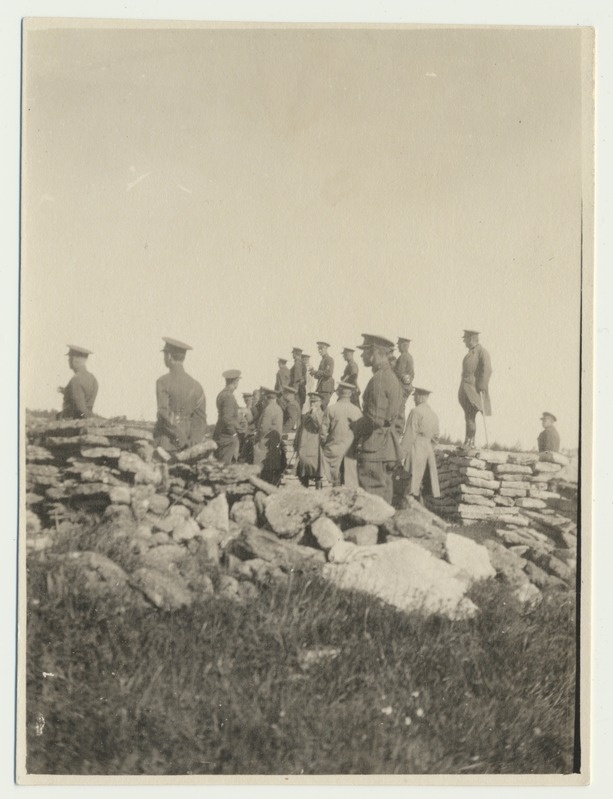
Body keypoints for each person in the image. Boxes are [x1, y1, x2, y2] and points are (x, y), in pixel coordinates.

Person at [352, 334, 403, 504]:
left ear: (374, 352)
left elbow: (376, 419)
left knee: (372, 507)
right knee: (383, 504)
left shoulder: (379, 380)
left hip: (374, 449)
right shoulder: (391, 378)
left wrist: (355, 427)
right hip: (386, 449)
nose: (362, 355)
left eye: (365, 351)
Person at [153, 338, 207, 453]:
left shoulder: (162, 381)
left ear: (169, 357)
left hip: (166, 442)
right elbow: (200, 419)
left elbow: (163, 414)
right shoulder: (197, 386)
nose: (164, 358)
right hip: (190, 444)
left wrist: (180, 438)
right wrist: (194, 440)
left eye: (165, 355)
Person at [400, 387, 441, 503]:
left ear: (420, 397)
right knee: (422, 483)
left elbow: (409, 434)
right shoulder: (434, 415)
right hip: (428, 450)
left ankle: (409, 509)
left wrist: (402, 454)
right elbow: (436, 437)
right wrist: (428, 447)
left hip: (415, 447)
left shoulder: (415, 411)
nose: (414, 399)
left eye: (415, 396)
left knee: (410, 482)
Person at [320, 381, 363, 486]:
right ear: (350, 394)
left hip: (333, 451)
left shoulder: (331, 409)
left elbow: (323, 432)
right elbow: (361, 434)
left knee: (333, 482)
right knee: (350, 483)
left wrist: (325, 443)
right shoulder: (357, 411)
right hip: (350, 452)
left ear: (338, 393)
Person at [457, 329, 492, 449]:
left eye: (465, 339)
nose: (464, 342)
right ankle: (468, 441)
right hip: (466, 387)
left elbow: (487, 370)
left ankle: (470, 442)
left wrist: (482, 385)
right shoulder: (471, 352)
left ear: (471, 339)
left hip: (474, 389)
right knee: (468, 415)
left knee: (470, 415)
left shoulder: (482, 352)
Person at [253, 387, 285, 484]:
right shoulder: (278, 409)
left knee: (262, 473)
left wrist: (256, 438)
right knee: (272, 471)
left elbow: (264, 428)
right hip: (274, 444)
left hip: (265, 445)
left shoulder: (268, 409)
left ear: (267, 398)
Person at [58, 345, 99, 419]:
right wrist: (66, 391)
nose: (68, 360)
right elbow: (85, 399)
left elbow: (81, 409)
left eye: (69, 358)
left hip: (73, 423)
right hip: (84, 420)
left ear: (74, 359)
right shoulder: (93, 379)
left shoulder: (76, 380)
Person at [295, 391, 325, 487]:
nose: (312, 404)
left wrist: (315, 413)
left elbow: (319, 426)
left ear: (320, 403)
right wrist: (296, 443)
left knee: (317, 474)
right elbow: (300, 429)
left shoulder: (322, 414)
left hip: (315, 449)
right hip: (304, 448)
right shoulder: (307, 414)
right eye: (311, 401)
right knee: (303, 474)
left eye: (315, 401)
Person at [213, 369, 242, 464]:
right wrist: (234, 433)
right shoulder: (229, 396)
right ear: (236, 381)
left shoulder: (222, 394)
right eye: (238, 381)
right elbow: (227, 418)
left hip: (221, 434)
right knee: (225, 467)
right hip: (227, 437)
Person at [394, 336, 415, 433]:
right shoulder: (409, 356)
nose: (398, 347)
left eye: (399, 344)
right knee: (401, 407)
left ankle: (398, 430)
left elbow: (398, 372)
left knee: (399, 407)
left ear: (404, 345)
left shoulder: (403, 357)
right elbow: (412, 375)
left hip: (402, 387)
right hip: (406, 386)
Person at [310, 341, 335, 410]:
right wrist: (313, 372)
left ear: (326, 349)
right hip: (321, 388)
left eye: (321, 349)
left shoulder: (329, 359)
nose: (319, 351)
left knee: (322, 407)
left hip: (326, 388)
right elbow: (319, 375)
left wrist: (316, 372)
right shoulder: (323, 360)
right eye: (319, 349)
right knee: (320, 408)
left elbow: (328, 373)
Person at [238, 392, 255, 462]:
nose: (246, 401)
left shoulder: (253, 409)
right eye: (245, 399)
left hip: (250, 433)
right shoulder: (245, 408)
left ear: (252, 399)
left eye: (248, 399)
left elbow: (253, 421)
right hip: (244, 432)